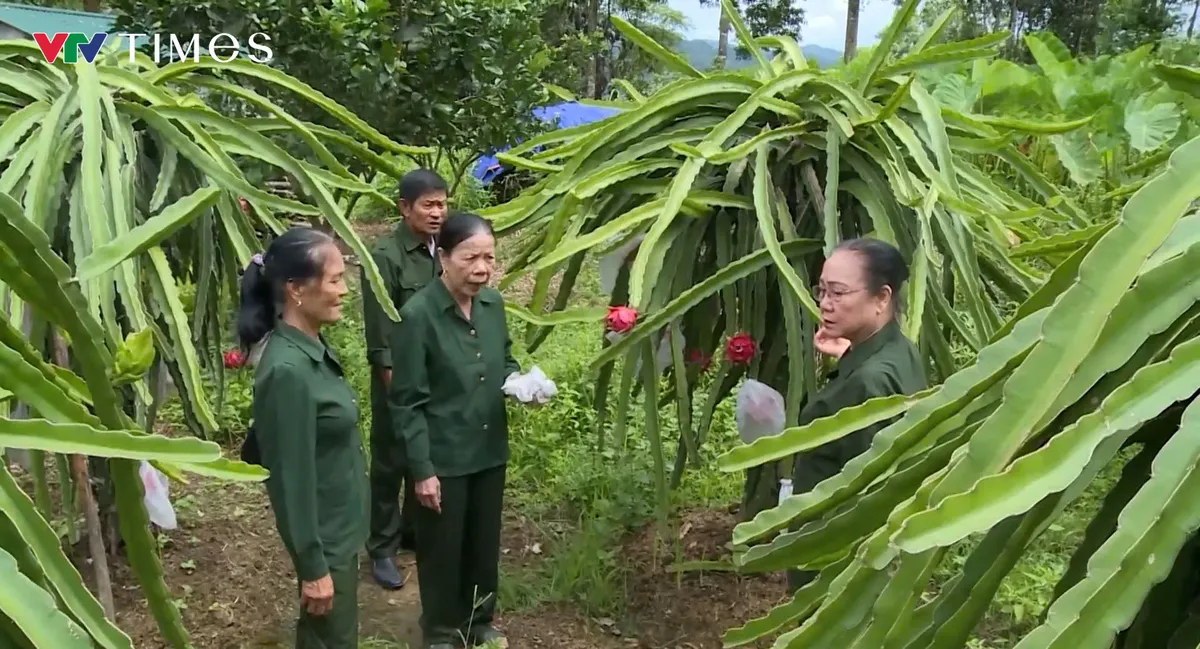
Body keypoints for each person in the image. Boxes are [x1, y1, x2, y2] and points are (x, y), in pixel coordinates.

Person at [388, 212, 521, 649]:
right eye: (470, 258)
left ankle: (479, 621)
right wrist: (422, 469)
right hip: (443, 454)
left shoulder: (492, 305)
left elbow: (503, 360)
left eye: (489, 258)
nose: (481, 269)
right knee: (442, 548)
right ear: (442, 257)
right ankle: (442, 630)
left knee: (483, 544)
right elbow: (407, 402)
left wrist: (521, 383)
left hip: (487, 447)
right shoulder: (417, 316)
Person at [238, 226, 368, 649]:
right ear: (296, 289)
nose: (344, 290)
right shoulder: (287, 372)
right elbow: (289, 480)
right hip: (325, 539)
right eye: (334, 280)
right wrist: (313, 569)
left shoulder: (310, 347)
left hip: (340, 527)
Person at [788, 237, 928, 590]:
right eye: (821, 291)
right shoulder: (899, 350)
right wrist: (846, 354)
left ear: (881, 297)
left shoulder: (868, 383)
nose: (825, 305)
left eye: (838, 293)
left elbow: (865, 494)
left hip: (832, 559)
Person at [361, 169, 449, 590]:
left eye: (442, 204)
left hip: (436, 378)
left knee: (424, 454)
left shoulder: (443, 250)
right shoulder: (386, 257)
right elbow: (381, 337)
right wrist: (398, 392)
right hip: (399, 381)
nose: (438, 213)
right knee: (391, 461)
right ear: (404, 207)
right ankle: (381, 547)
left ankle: (413, 532)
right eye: (429, 205)